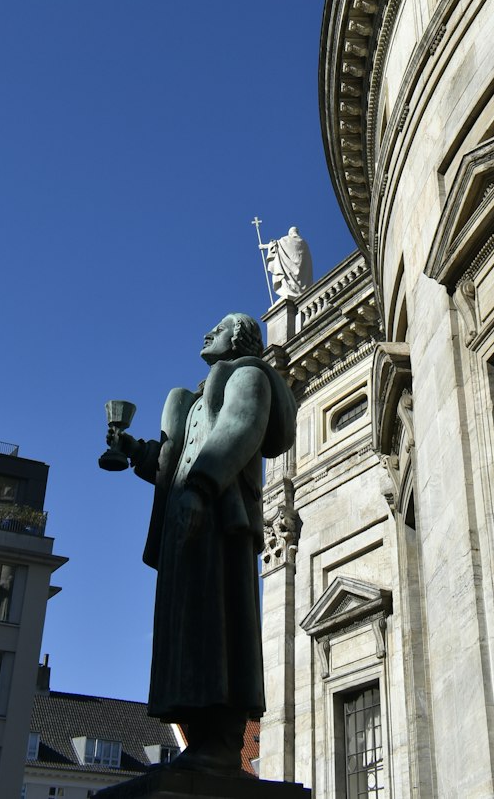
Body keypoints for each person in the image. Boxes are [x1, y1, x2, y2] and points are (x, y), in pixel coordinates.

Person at [101, 312, 296, 774]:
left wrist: (203, 488)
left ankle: (224, 740)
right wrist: (135, 450)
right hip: (183, 524)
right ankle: (198, 736)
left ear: (239, 339)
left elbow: (240, 428)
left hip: (218, 520)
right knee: (186, 627)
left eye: (220, 328)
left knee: (219, 622)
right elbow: (175, 460)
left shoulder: (248, 375)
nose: (208, 333)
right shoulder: (190, 400)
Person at [265, 226, 313, 300]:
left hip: (289, 273)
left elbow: (275, 244)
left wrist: (265, 246)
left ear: (290, 233)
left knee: (286, 280)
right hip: (304, 277)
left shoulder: (286, 240)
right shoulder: (304, 243)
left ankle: (290, 292)